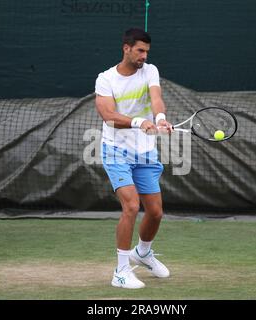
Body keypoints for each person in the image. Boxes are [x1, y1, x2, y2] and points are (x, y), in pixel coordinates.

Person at [94, 28, 173, 289]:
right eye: (140, 50)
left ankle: (143, 252)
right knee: (130, 206)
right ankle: (121, 271)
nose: (144, 56)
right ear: (126, 48)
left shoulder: (150, 70)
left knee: (155, 212)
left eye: (147, 52)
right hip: (116, 150)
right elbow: (108, 116)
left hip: (146, 151)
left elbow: (156, 99)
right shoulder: (105, 79)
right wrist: (140, 122)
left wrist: (160, 119)